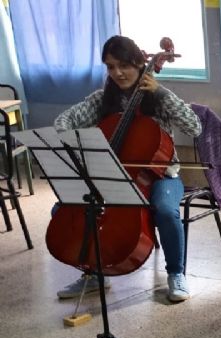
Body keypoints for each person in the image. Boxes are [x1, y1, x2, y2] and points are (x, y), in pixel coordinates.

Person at [54, 35, 201, 303]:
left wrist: (160, 92)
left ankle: (176, 274)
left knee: (167, 212)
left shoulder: (158, 97)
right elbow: (63, 122)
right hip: (111, 178)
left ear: (138, 62)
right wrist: (76, 144)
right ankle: (94, 273)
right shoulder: (102, 100)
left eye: (124, 65)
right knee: (70, 208)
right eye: (110, 67)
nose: (117, 73)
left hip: (160, 177)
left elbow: (194, 126)